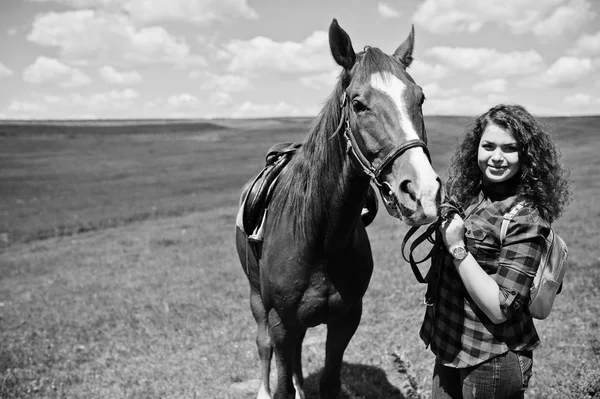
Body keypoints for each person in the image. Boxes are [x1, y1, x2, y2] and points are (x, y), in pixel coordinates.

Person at [420, 104, 571, 398]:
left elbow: (501, 308)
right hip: (450, 341)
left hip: (492, 357)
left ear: (525, 156)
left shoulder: (526, 217)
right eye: (488, 146)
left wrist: (457, 247)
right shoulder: (471, 194)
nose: (497, 157)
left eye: (509, 148)